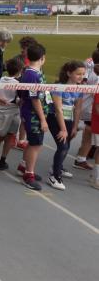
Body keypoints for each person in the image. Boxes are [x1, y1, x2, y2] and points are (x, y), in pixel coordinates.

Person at [46, 61, 85, 190]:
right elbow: (58, 109)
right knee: (62, 146)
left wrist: (74, 126)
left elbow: (78, 109)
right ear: (69, 73)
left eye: (83, 74)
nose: (81, 76)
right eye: (78, 74)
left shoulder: (80, 89)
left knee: (66, 145)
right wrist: (63, 129)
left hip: (69, 119)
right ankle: (54, 176)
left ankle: (59, 167)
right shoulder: (58, 87)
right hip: (55, 118)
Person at [17, 43, 48, 190]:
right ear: (43, 58)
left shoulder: (31, 72)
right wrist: (42, 119)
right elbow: (35, 98)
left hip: (30, 113)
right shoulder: (32, 75)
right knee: (36, 144)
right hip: (33, 115)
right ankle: (28, 175)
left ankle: (24, 166)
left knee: (32, 142)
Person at [0, 57, 24, 171]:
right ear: (20, 70)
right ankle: (2, 160)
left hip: (0, 110)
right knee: (10, 136)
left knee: (0, 137)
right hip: (12, 112)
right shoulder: (18, 84)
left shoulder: (2, 79)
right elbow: (18, 99)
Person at [74, 48, 99, 170]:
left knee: (87, 132)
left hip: (84, 105)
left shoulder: (90, 65)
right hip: (90, 108)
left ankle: (81, 158)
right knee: (88, 131)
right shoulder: (97, 75)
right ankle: (81, 158)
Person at [14, 36, 38, 150]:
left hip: (29, 93)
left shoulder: (32, 61)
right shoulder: (21, 60)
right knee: (22, 117)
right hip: (23, 93)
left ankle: (21, 139)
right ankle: (19, 139)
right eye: (21, 48)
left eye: (24, 48)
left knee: (24, 117)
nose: (22, 50)